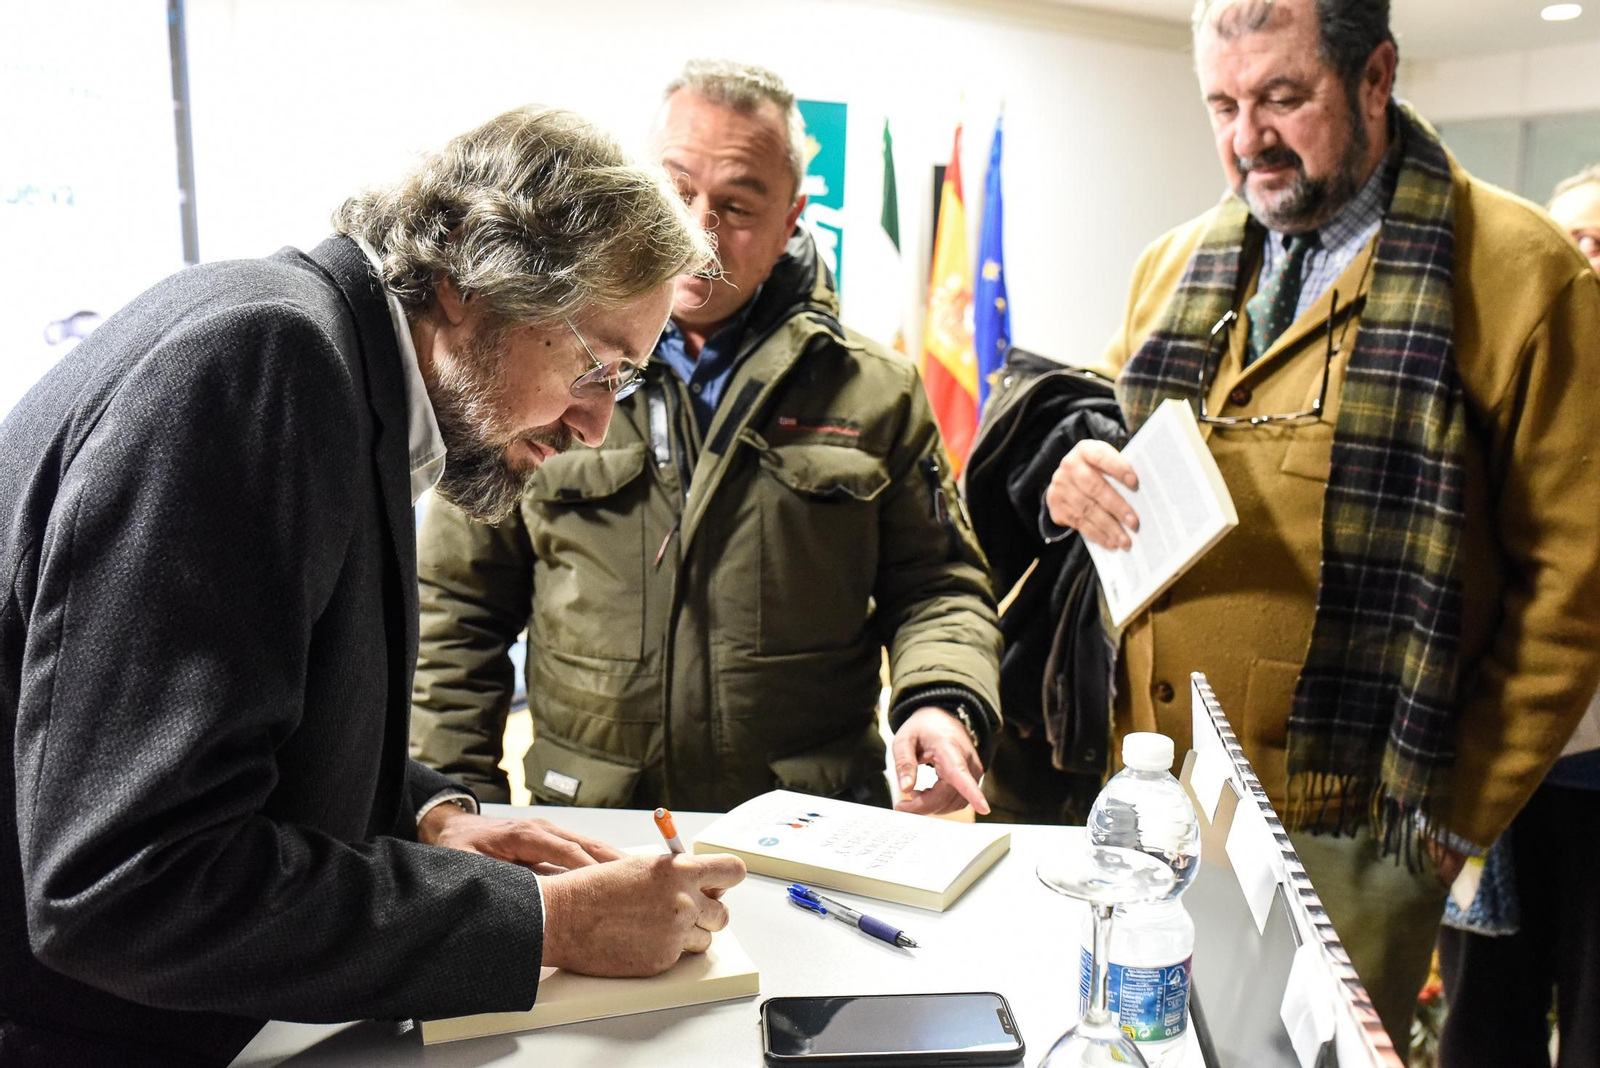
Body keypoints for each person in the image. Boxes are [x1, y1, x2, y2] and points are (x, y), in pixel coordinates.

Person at [0, 105, 748, 1067]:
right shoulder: (267, 367)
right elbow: (133, 882)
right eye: (597, 367)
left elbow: (240, 725)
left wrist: (427, 818)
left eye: (627, 381)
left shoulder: (314, 350)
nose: (596, 426)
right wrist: (548, 923)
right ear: (470, 281)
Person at [1032, 0, 1600, 1055]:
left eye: (1282, 97)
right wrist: (1076, 479)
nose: (1248, 137)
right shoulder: (1175, 264)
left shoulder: (1522, 274)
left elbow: (1572, 589)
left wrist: (1447, 825)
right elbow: (1110, 444)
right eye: (1222, 104)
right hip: (1153, 790)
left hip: (1352, 835)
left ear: (1375, 76)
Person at [409, 61, 1002, 816]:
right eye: (676, 189)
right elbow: (456, 611)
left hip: (808, 822)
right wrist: (459, 808)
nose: (699, 228)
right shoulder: (539, 360)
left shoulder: (875, 391)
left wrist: (940, 702)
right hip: (594, 823)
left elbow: (939, 585)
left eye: (738, 205)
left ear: (792, 218)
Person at [1433, 166, 1600, 1068]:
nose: (1581, 257)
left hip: (1592, 784)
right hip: (1495, 776)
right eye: (1570, 238)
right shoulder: (1501, 377)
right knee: (1481, 1029)